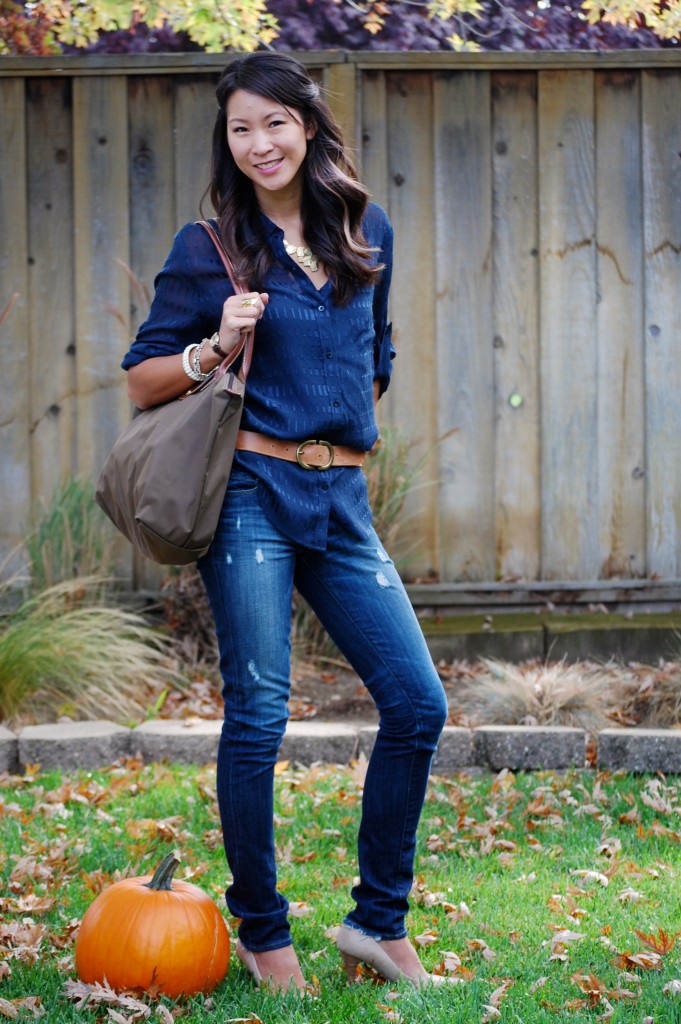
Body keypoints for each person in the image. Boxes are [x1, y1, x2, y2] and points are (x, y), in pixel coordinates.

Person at [122, 52, 449, 994]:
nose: (259, 142)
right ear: (227, 144)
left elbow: (373, 357)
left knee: (418, 705)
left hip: (341, 500)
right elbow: (143, 379)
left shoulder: (362, 227)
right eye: (240, 128)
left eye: (274, 122)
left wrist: (336, 428)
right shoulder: (212, 246)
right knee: (260, 713)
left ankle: (377, 925)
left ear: (308, 125)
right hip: (254, 495)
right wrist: (215, 343)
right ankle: (263, 934)